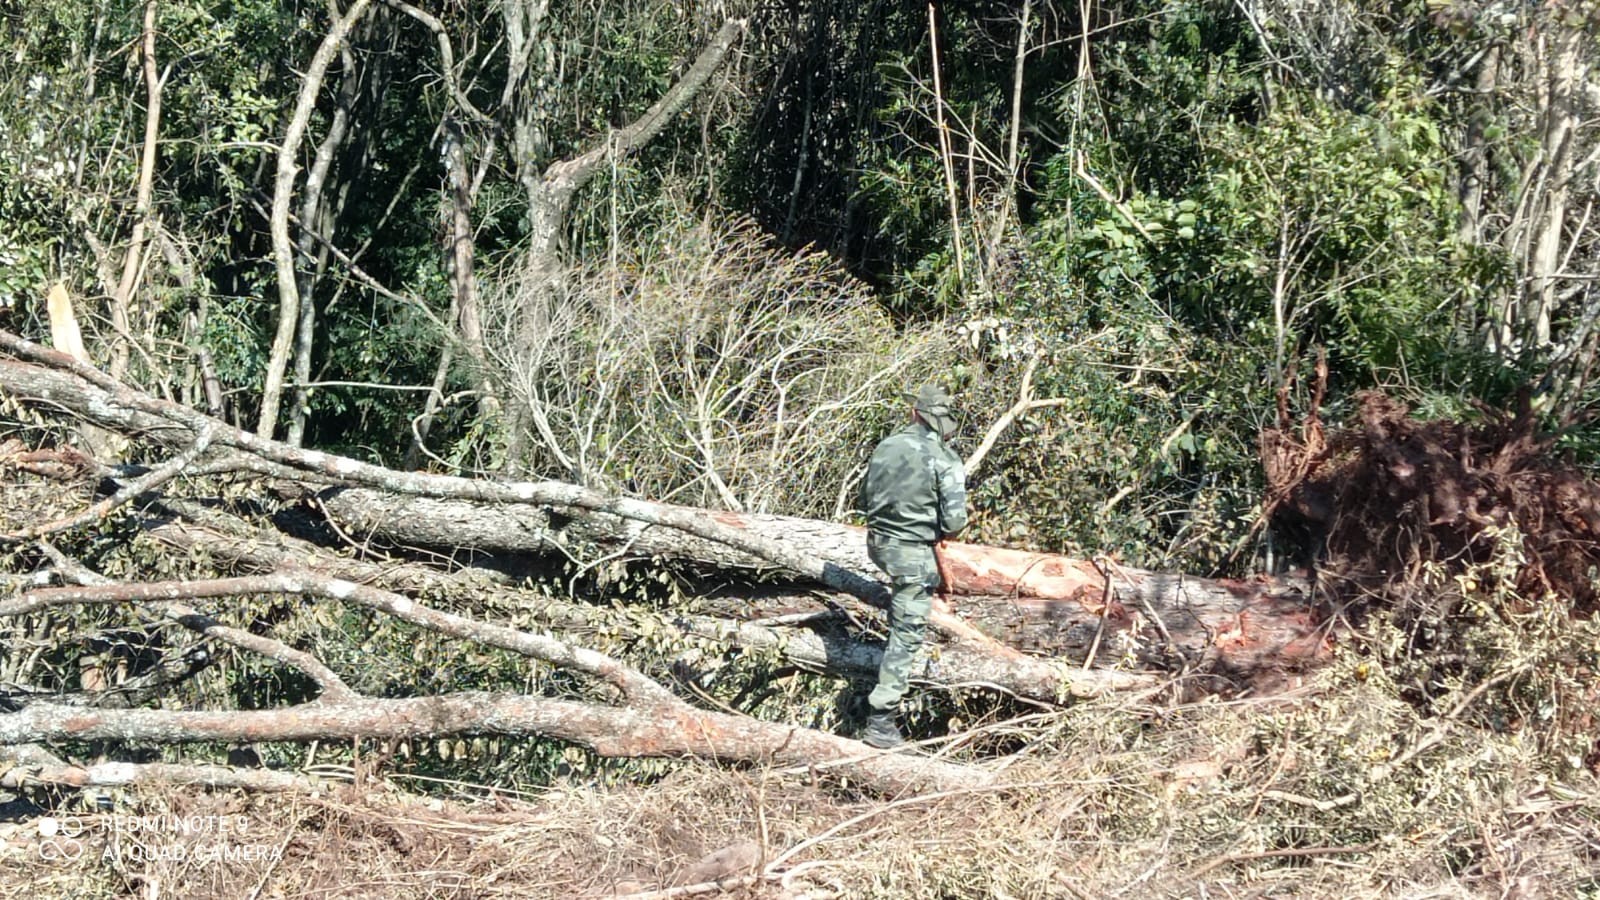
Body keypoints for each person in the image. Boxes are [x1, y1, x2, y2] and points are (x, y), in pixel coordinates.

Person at [857, 383, 968, 748]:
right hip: (910, 553)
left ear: (913, 413)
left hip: (877, 544)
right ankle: (881, 718)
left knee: (910, 592)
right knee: (907, 633)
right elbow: (954, 522)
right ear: (940, 421)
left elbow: (865, 497)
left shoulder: (885, 447)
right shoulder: (944, 458)